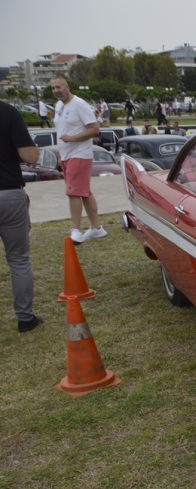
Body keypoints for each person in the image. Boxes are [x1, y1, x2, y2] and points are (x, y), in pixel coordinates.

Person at [0, 101, 42, 332]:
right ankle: (25, 317)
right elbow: (31, 156)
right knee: (18, 259)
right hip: (8, 193)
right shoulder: (8, 112)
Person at [50, 76, 107, 244]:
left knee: (73, 192)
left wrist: (74, 139)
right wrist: (61, 154)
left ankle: (76, 230)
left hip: (80, 154)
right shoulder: (59, 105)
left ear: (67, 86)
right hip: (67, 155)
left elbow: (95, 129)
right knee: (84, 192)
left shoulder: (80, 104)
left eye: (58, 87)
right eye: (53, 88)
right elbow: (62, 130)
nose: (56, 91)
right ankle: (96, 228)